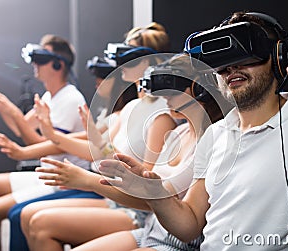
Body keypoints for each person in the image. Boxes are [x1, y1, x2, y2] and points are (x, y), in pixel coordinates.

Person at [95, 11, 288, 251]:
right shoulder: (216, 134)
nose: (232, 68)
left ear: (278, 58)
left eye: (245, 56)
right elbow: (190, 225)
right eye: (222, 62)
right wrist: (154, 194)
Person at [33, 53, 228, 251]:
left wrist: (89, 180)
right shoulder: (176, 133)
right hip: (152, 228)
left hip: (172, 237)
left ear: (200, 89)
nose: (165, 96)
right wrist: (96, 142)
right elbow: (147, 185)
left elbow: (156, 199)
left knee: (39, 220)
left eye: (172, 89)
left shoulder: (205, 137)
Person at [11, 22, 177, 251]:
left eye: (128, 54)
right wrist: (54, 135)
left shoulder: (161, 113)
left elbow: (147, 187)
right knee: (30, 217)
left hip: (135, 210)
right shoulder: (132, 107)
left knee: (38, 221)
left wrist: (85, 169)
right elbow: (104, 151)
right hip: (113, 198)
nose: (118, 63)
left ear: (149, 62)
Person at [0, 56, 138, 251]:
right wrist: (32, 145)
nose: (97, 84)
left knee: (19, 215)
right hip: (93, 184)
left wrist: (28, 148)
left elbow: (100, 152)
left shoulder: (129, 113)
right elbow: (84, 144)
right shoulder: (119, 114)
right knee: (15, 210)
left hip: (103, 190)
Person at [0, 34, 90, 251]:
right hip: (45, 174)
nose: (35, 64)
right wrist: (1, 103)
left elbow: (36, 143)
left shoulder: (70, 99)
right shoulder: (50, 96)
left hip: (60, 181)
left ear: (57, 64)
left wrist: (9, 107)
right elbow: (21, 126)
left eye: (40, 59)